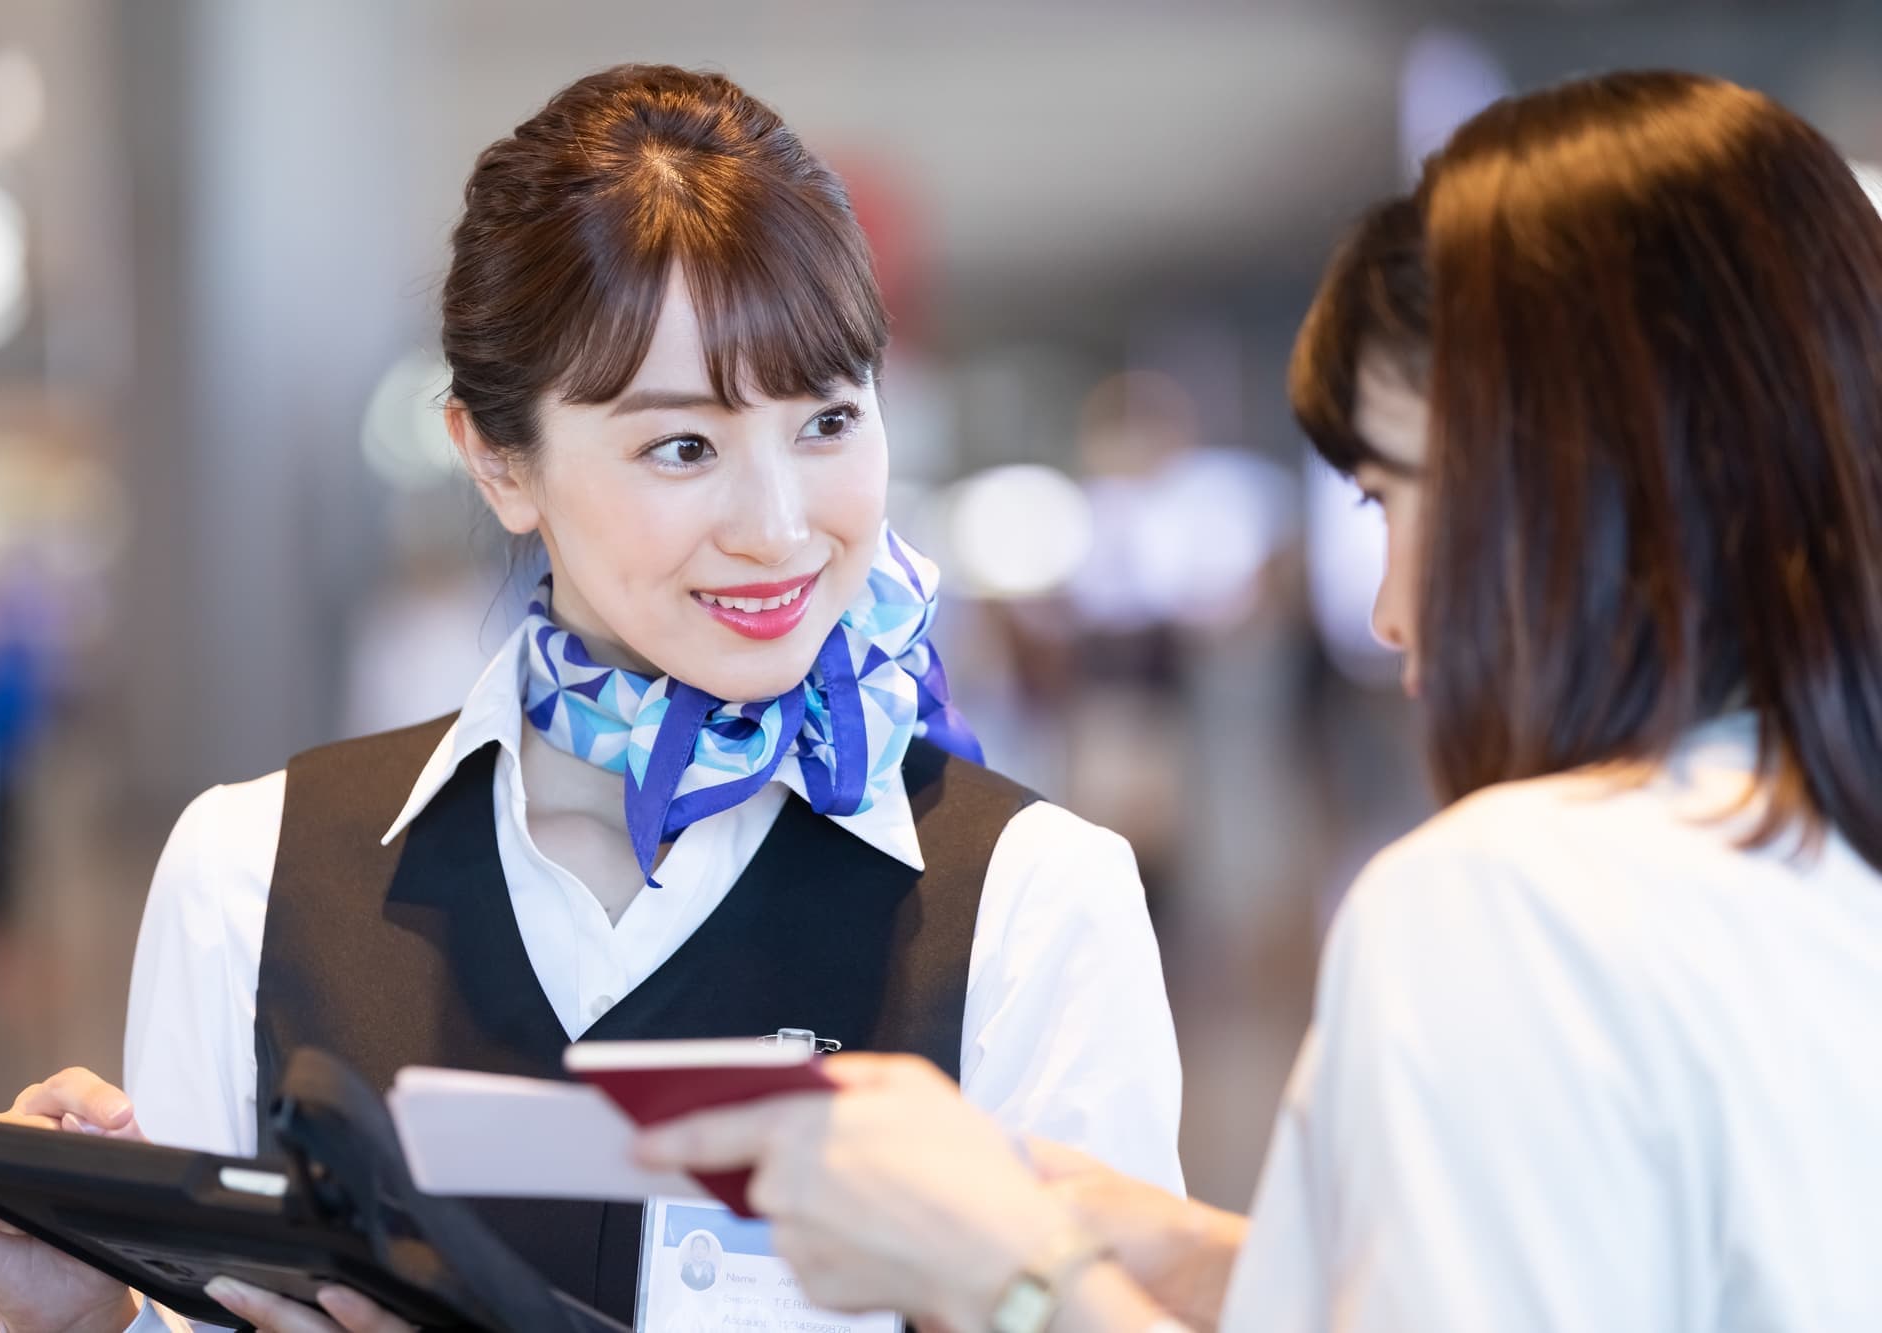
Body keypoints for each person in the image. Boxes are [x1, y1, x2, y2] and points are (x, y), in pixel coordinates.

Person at [0, 65, 1183, 1333]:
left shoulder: (1032, 904)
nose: (777, 526)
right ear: (496, 459)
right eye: (681, 446)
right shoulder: (253, 875)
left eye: (826, 420)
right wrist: (75, 1323)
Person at [636, 70, 1882, 1332]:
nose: (1391, 605)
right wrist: (1230, 1261)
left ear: (1579, 474)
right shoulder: (1818, 855)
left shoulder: (1508, 901)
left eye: (1392, 495)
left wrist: (1010, 1279)